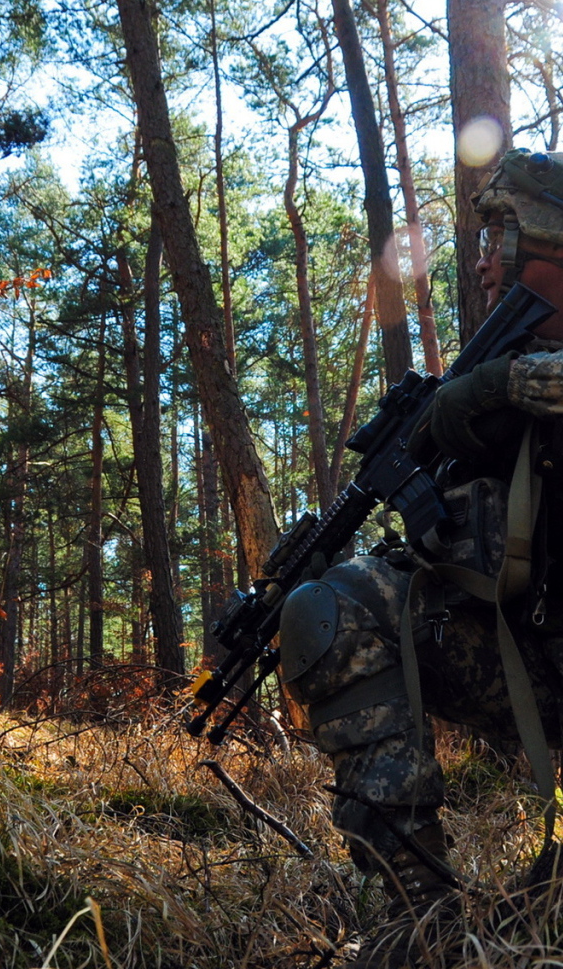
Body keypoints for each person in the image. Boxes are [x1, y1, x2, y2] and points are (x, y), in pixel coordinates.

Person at [279, 148, 563, 968]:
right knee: (333, 609)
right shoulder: (491, 384)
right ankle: (421, 915)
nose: (480, 262)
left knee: (532, 934)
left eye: (497, 238)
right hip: (531, 665)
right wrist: (479, 397)